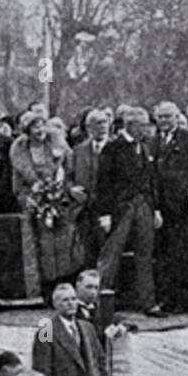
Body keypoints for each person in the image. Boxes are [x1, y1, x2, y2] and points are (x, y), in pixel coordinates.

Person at [94, 106, 162, 313]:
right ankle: (98, 301)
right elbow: (103, 183)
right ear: (130, 125)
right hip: (120, 209)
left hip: (144, 206)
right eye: (143, 125)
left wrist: (156, 209)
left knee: (145, 254)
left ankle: (148, 302)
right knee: (111, 255)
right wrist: (104, 214)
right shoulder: (113, 148)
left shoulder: (145, 147)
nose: (147, 130)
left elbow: (151, 181)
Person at [11, 111, 83, 284]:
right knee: (43, 245)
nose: (40, 130)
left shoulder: (58, 146)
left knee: (64, 242)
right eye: (35, 127)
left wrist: (66, 191)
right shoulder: (20, 151)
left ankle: (65, 280)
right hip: (36, 203)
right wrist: (28, 199)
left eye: (42, 125)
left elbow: (70, 173)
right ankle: (47, 284)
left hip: (61, 200)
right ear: (27, 131)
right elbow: (18, 184)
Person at [151, 101, 188, 310]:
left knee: (180, 255)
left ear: (177, 117)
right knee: (162, 255)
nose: (164, 121)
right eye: (161, 117)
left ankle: (179, 300)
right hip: (160, 208)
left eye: (169, 116)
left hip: (182, 208)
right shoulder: (152, 141)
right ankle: (165, 297)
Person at [69, 108, 113, 269]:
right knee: (88, 255)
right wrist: (72, 189)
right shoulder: (78, 151)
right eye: (97, 123)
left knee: (108, 255)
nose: (102, 126)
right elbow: (68, 177)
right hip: (84, 211)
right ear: (88, 128)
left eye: (105, 122)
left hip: (110, 211)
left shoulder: (118, 147)